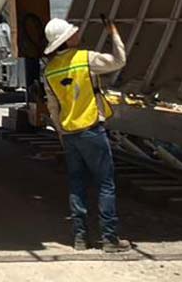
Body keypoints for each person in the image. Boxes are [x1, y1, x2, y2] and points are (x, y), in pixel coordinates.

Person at [42, 17, 129, 252]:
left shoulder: (50, 71)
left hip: (70, 133)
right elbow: (119, 61)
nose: (77, 34)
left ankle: (80, 238)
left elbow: (53, 108)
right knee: (105, 184)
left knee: (77, 185)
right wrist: (114, 34)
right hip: (91, 129)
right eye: (73, 33)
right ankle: (109, 239)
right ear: (67, 39)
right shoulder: (86, 59)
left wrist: (61, 132)